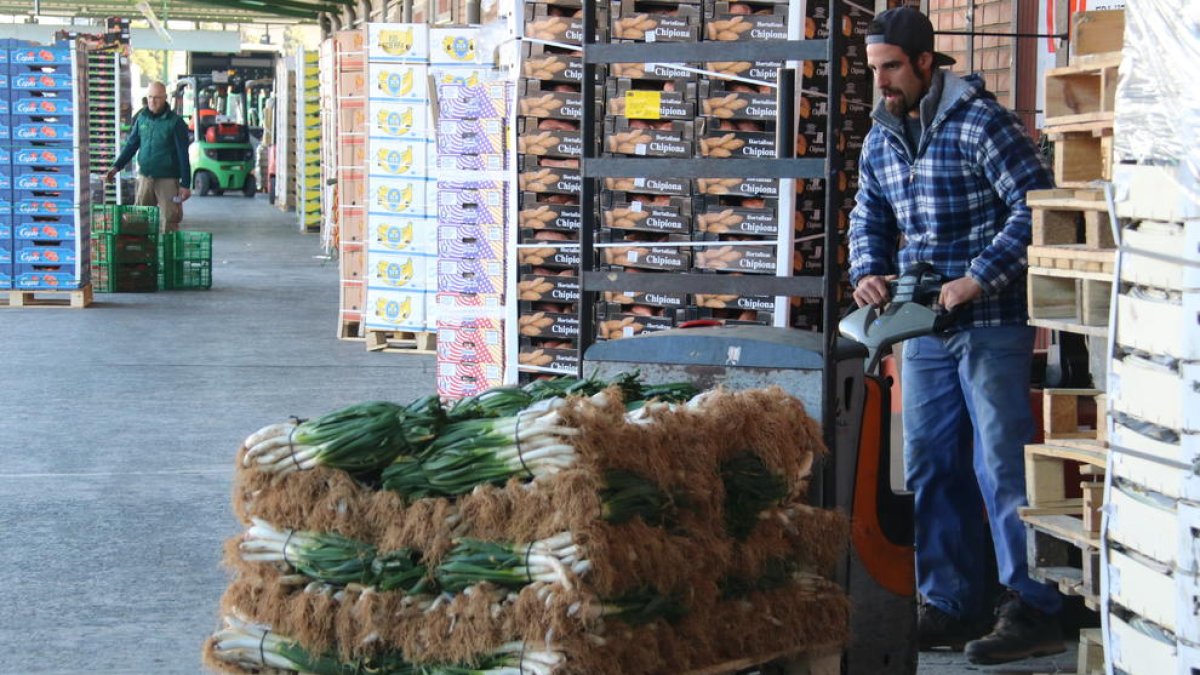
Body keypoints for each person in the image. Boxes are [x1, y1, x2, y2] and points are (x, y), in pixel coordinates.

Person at [847, 7, 1064, 666]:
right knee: (931, 463)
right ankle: (950, 601)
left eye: (890, 67)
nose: (881, 81)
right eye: (874, 69)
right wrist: (867, 269)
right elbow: (868, 212)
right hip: (923, 325)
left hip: (991, 320)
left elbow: (1037, 205)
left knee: (1000, 463)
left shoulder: (982, 123)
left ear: (924, 61)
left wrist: (978, 278)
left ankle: (1033, 605)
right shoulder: (882, 134)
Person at [105, 81, 191, 231]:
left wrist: (185, 184)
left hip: (167, 180)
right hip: (145, 177)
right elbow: (131, 146)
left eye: (157, 97)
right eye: (150, 97)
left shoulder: (176, 123)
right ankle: (142, 247)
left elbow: (183, 154)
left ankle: (167, 246)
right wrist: (116, 167)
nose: (152, 101)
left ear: (165, 98)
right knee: (139, 219)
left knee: (169, 220)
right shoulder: (142, 118)